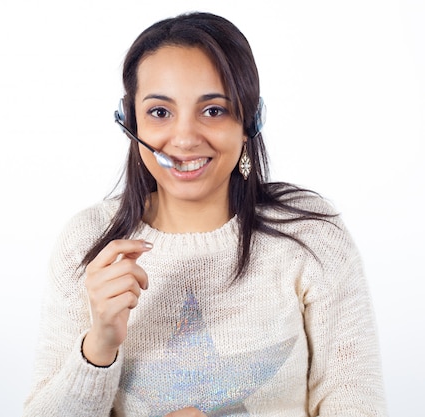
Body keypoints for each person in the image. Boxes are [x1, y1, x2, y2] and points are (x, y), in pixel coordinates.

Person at [23, 11, 386, 417]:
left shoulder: (310, 232)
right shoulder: (87, 241)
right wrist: (99, 346)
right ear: (129, 122)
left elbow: (356, 400)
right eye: (160, 112)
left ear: (250, 120)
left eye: (213, 110)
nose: (184, 138)